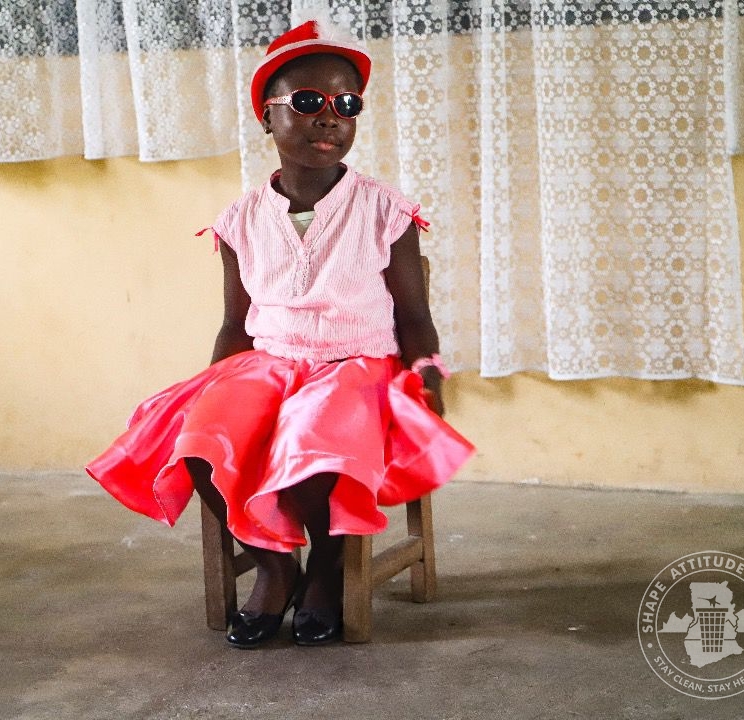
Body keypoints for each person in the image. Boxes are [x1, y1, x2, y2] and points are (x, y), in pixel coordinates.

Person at [86, 19, 474, 648]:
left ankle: (327, 565)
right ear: (267, 117)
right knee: (197, 436)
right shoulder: (240, 220)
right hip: (269, 361)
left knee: (314, 436)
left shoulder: (385, 210)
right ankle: (275, 565)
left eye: (347, 105)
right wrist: (213, 386)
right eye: (309, 101)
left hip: (357, 366)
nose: (329, 118)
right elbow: (234, 323)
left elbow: (412, 314)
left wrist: (427, 375)